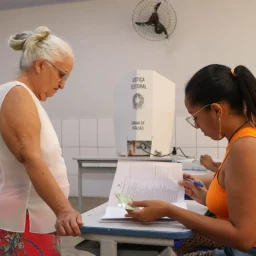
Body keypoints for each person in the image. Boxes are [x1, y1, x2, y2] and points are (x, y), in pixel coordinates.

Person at [126, 64, 256, 256]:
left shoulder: (244, 147)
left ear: (217, 111)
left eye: (195, 117)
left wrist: (169, 210)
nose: (196, 126)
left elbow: (244, 239)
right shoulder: (240, 139)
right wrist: (205, 198)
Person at [0, 26, 83, 255]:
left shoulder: (25, 97)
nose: (62, 85)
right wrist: (65, 210)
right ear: (40, 65)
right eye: (61, 75)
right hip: (21, 222)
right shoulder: (17, 93)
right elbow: (31, 158)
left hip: (34, 219)